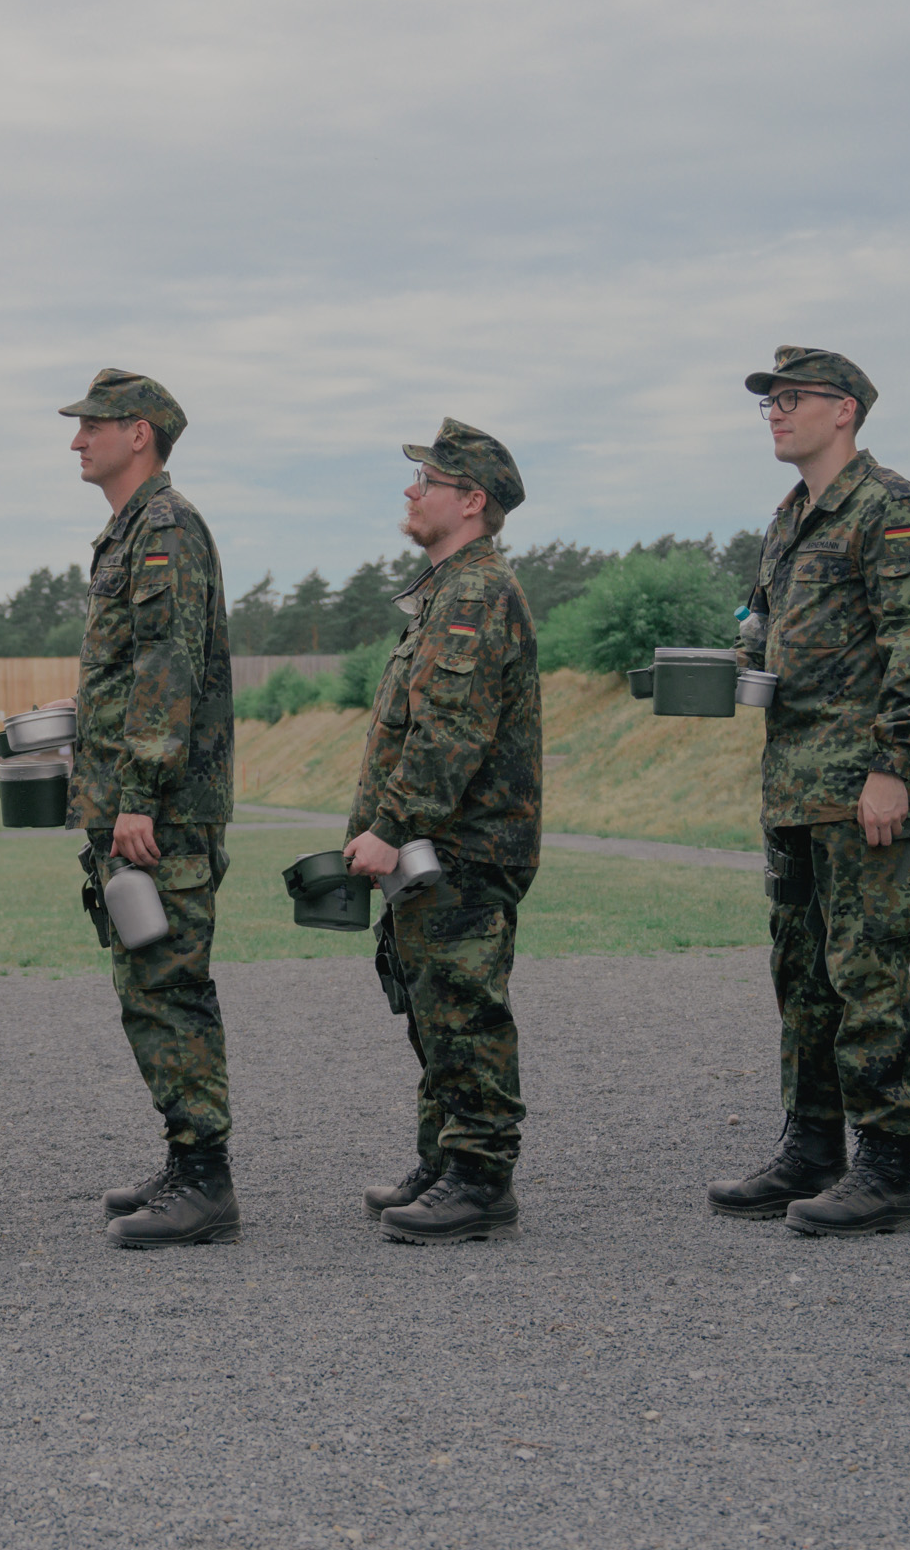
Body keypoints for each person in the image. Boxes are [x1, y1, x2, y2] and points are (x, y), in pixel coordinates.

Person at [706, 347, 910, 1237]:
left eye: (793, 397)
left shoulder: (889, 507)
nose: (776, 412)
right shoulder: (789, 518)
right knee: (803, 975)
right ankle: (811, 1147)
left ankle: (887, 1168)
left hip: (863, 789)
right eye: (769, 401)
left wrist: (893, 767)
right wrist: (724, 669)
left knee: (866, 972)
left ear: (845, 408)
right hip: (794, 788)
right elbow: (766, 631)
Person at [345, 419, 542, 1244]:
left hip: (465, 845)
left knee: (464, 1006)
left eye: (426, 480)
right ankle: (444, 1158)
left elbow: (451, 731)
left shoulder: (475, 594)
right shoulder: (446, 590)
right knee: (432, 1005)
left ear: (471, 501)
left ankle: (482, 1177)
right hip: (439, 846)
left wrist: (392, 824)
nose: (411, 490)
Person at [60, 368, 240, 1249]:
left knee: (169, 985)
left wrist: (137, 796)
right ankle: (185, 1158)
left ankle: (206, 1182)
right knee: (146, 986)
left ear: (139, 434)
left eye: (92, 425)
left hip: (158, 810)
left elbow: (168, 669)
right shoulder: (129, 531)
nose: (76, 439)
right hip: (134, 804)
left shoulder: (165, 527)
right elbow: (129, 673)